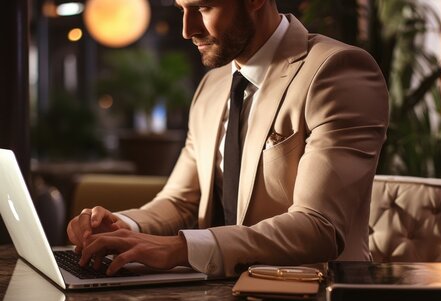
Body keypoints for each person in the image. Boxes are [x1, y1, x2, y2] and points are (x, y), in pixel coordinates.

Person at [67, 0, 389, 278]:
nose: (186, 29)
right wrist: (121, 226)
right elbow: (180, 201)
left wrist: (181, 248)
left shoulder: (335, 70)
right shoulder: (211, 87)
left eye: (203, 7)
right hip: (215, 300)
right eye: (181, 9)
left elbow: (318, 227)